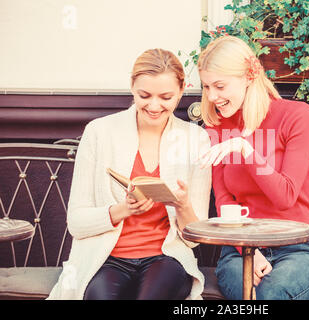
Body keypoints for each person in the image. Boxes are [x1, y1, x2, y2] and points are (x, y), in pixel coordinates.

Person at [47, 48, 212, 300]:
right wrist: (124, 209)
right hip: (106, 259)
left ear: (181, 92)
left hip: (166, 258)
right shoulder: (99, 132)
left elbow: (194, 238)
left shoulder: (195, 139)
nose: (154, 106)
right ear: (132, 86)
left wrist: (182, 205)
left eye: (166, 97)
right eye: (144, 95)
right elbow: (76, 224)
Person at [198, 35, 309, 300]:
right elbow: (224, 201)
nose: (212, 97)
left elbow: (286, 197)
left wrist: (245, 150)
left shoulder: (297, 116)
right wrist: (248, 250)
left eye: (220, 86)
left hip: (298, 248)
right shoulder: (217, 126)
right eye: (207, 87)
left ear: (248, 76)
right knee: (249, 292)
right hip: (239, 250)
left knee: (270, 294)